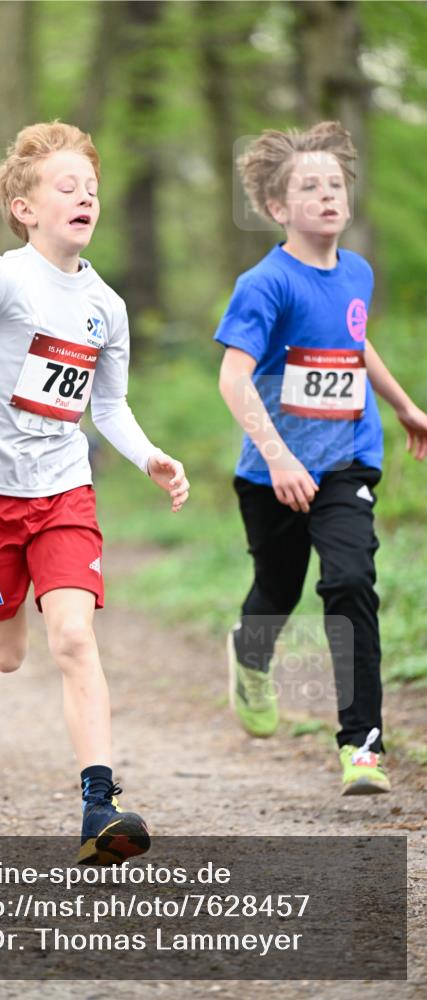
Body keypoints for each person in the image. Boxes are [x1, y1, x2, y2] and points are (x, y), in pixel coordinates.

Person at [0, 122, 189, 862]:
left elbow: (106, 406)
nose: (85, 197)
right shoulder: (0, 280)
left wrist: (149, 455)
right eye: (66, 186)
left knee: (74, 637)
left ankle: (99, 805)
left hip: (61, 489)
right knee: (4, 655)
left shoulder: (105, 308)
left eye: (91, 188)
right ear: (24, 208)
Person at [214, 121, 427, 795]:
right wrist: (277, 458)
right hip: (273, 471)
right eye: (308, 187)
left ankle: (361, 746)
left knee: (348, 581)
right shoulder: (264, 284)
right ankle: (249, 656)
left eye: (334, 184)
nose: (326, 196)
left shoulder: (356, 271)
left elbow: (354, 346)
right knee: (275, 592)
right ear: (278, 208)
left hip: (345, 461)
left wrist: (401, 404)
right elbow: (231, 377)